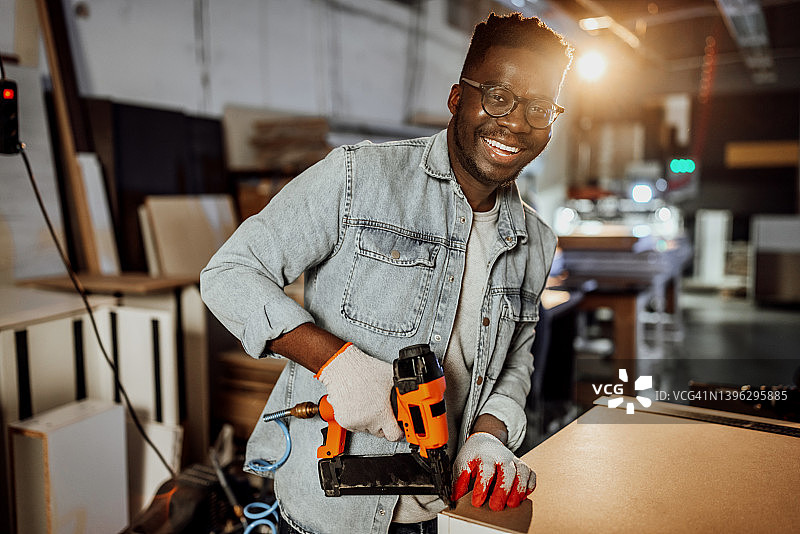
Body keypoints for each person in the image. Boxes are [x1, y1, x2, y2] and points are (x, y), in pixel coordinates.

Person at [201, 12, 572, 534]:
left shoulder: (535, 241)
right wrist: (339, 365)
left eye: (539, 108)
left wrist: (489, 433)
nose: (515, 122)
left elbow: (515, 360)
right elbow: (229, 273)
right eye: (498, 96)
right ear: (456, 98)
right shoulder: (358, 178)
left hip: (444, 512)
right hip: (327, 515)